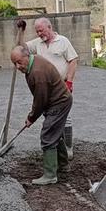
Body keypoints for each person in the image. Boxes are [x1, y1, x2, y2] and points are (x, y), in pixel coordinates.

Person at [10, 46, 72, 185]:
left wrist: (31, 118)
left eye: (19, 62)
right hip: (58, 100)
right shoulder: (33, 61)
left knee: (48, 136)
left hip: (59, 103)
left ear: (27, 56)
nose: (17, 66)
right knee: (55, 134)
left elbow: (40, 100)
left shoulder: (37, 73)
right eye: (14, 63)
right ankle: (63, 166)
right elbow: (42, 99)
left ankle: (50, 175)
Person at [21, 17, 79, 158]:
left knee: (66, 117)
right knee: (50, 115)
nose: (39, 34)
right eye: (37, 31)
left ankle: (68, 148)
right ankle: (58, 148)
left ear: (49, 27)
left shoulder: (63, 41)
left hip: (61, 85)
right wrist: (21, 32)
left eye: (41, 30)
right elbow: (21, 49)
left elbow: (73, 61)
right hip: (46, 86)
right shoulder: (38, 43)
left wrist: (69, 82)